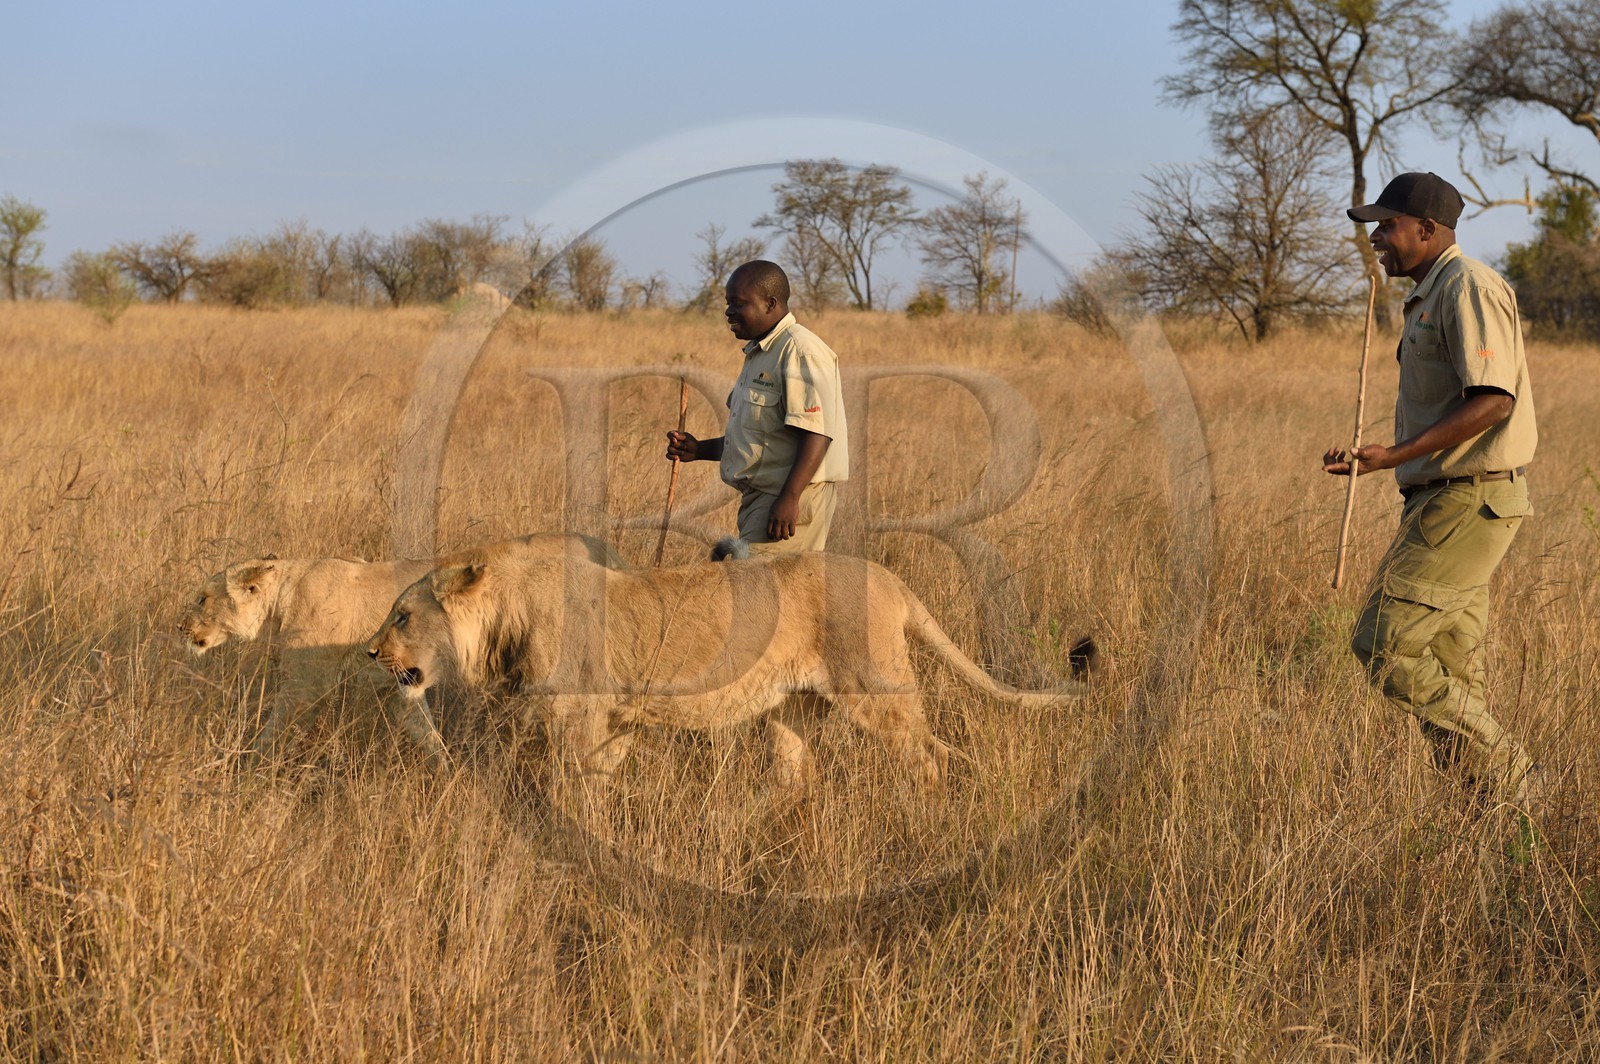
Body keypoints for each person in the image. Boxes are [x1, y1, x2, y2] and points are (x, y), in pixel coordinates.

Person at [1323, 171, 1538, 803]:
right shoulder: (1429, 294)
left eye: (1387, 226)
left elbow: (1493, 401)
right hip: (1443, 497)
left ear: (1428, 229)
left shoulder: (1467, 285)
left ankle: (1518, 779)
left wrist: (1395, 455)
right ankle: (1486, 812)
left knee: (1383, 646)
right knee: (1447, 667)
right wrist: (1378, 459)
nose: (1376, 239)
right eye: (1375, 227)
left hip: (1468, 499)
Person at [665, 260, 848, 556]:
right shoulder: (760, 352)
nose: (729, 311)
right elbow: (760, 438)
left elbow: (818, 433)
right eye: (727, 303)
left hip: (790, 496)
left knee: (754, 594)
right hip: (761, 498)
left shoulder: (801, 350)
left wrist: (790, 498)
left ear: (770, 303)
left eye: (739, 303)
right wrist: (699, 450)